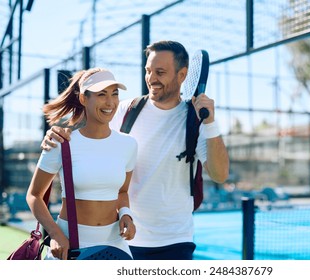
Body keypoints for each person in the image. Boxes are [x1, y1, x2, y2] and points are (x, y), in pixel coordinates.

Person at [41, 40, 229, 260]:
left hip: (175, 241)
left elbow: (220, 174)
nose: (151, 79)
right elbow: (83, 137)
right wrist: (56, 134)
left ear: (182, 75)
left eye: (160, 72)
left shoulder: (195, 121)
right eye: (148, 71)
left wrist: (210, 123)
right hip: (121, 241)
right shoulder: (124, 110)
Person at [27, 67, 137, 260]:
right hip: (69, 245)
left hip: (115, 245)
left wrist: (126, 215)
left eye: (114, 94)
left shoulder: (128, 144)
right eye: (101, 94)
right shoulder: (61, 142)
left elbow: (122, 192)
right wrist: (56, 235)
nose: (110, 102)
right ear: (84, 99)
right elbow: (34, 195)